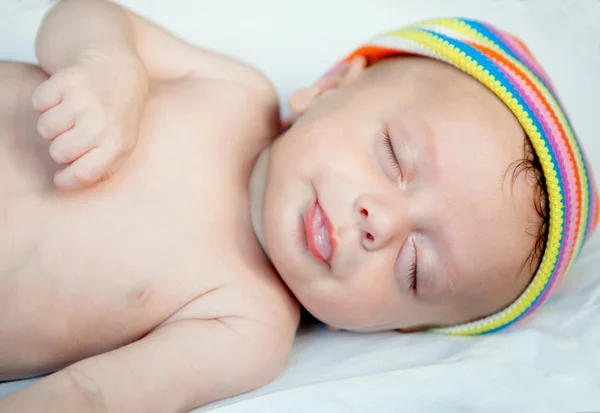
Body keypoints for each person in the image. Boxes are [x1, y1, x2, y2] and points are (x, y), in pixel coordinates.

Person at [0, 2, 596, 412]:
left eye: (416, 268)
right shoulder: (232, 91)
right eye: (393, 156)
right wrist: (107, 66)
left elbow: (102, 395)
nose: (379, 223)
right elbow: (82, 15)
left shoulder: (250, 328)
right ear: (331, 86)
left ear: (397, 327)